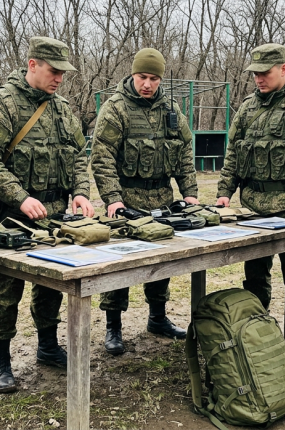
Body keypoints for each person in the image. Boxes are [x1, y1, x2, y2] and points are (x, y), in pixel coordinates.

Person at [0, 36, 93, 393]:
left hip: (55, 216)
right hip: (12, 216)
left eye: (63, 73)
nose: (59, 79)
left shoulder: (62, 109)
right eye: (54, 71)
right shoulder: (3, 104)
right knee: (7, 289)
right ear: (32, 65)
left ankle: (47, 345)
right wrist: (20, 197)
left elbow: (77, 156)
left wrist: (81, 191)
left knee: (52, 285)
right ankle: (1, 359)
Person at [216, 43, 285, 367]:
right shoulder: (248, 108)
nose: (258, 79)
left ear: (283, 69)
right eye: (254, 74)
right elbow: (234, 153)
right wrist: (225, 192)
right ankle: (259, 328)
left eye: (264, 73)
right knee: (254, 275)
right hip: (253, 209)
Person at [90, 48, 197, 355]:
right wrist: (113, 199)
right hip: (127, 201)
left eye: (153, 78)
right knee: (119, 265)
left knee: (162, 263)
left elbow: (184, 152)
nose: (147, 84)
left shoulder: (171, 109)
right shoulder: (116, 108)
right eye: (142, 77)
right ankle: (113, 326)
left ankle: (157, 318)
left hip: (162, 198)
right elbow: (102, 156)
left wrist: (189, 193)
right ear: (132, 74)